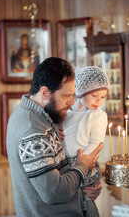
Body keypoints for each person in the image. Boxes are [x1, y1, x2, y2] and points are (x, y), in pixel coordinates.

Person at [6, 57, 103, 217]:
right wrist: (82, 168)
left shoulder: (44, 118)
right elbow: (53, 192)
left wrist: (89, 182)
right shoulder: (33, 130)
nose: (72, 102)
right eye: (67, 96)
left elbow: (67, 166)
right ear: (45, 92)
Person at [61, 66, 110, 217]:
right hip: (65, 164)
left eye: (103, 97)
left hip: (86, 165)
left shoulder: (98, 116)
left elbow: (96, 143)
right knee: (70, 200)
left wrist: (80, 163)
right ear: (80, 91)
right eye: (95, 95)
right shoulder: (65, 112)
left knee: (85, 200)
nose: (99, 101)